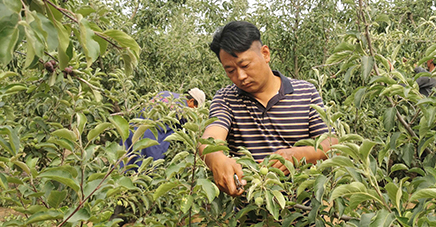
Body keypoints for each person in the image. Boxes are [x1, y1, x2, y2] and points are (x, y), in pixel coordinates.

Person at [199, 21, 338, 197]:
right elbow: (210, 139)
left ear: (265, 53)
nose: (240, 76)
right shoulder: (226, 99)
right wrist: (216, 158)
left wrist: (298, 155)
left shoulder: (306, 92)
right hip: (248, 216)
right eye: (231, 70)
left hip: (304, 212)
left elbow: (331, 144)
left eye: (245, 65)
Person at [121, 88, 206, 168]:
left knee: (121, 163)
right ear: (191, 101)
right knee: (143, 170)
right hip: (148, 140)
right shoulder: (183, 110)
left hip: (132, 128)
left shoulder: (164, 93)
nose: (194, 111)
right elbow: (186, 133)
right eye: (195, 108)